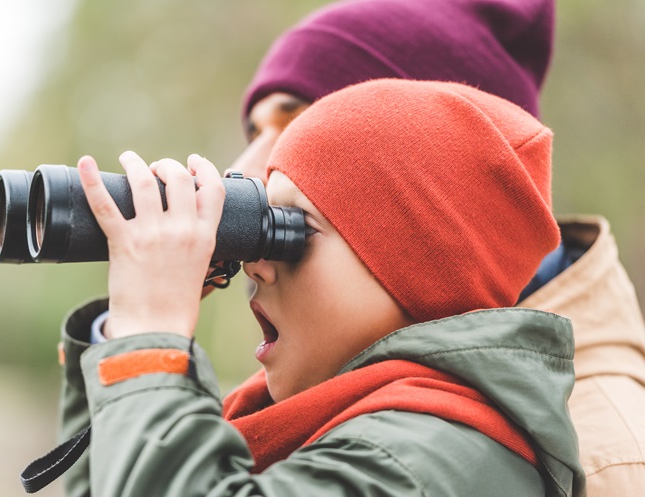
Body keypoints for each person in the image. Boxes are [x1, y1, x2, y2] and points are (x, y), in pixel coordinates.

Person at [54, 79, 584, 496]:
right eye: (263, 218)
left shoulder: (427, 460)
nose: (256, 263)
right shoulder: (311, 421)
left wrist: (150, 339)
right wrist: (121, 337)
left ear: (414, 268)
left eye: (293, 229)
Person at [227, 1, 645, 495]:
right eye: (256, 133)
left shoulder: (606, 450)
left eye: (298, 124)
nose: (244, 168)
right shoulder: (330, 373)